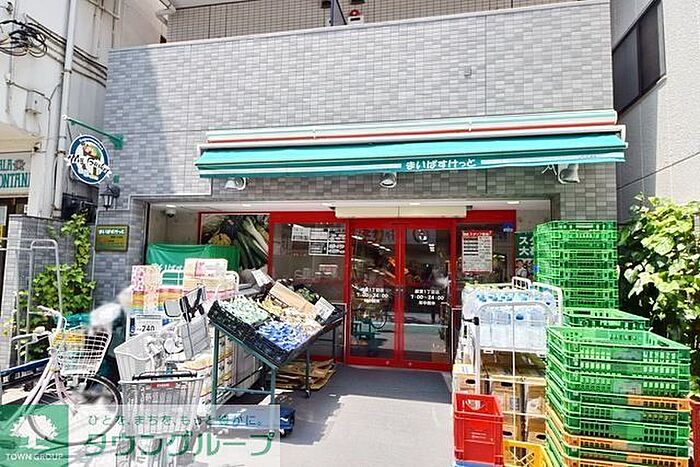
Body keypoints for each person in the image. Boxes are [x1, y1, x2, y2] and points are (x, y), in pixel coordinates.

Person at [90, 287, 130, 385]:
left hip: (115, 345)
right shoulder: (122, 309)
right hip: (118, 345)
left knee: (110, 369)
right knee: (112, 370)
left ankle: (101, 385)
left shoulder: (120, 309)